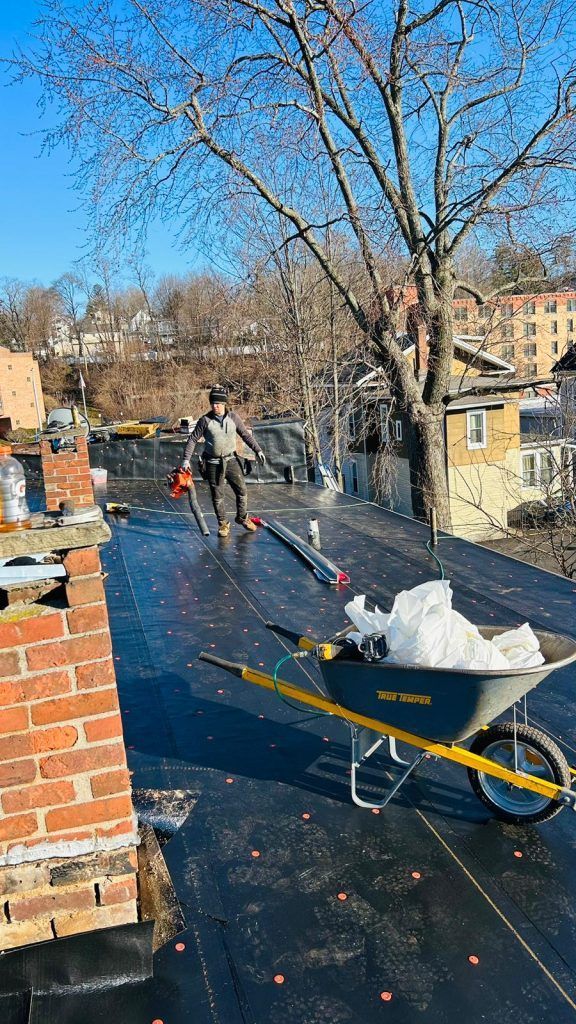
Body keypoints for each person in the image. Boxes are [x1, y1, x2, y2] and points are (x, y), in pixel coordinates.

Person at [181, 386, 266, 538]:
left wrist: (258, 450)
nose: (215, 406)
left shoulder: (233, 418)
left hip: (231, 459)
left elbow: (245, 435)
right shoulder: (205, 420)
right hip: (213, 463)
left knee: (242, 491)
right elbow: (192, 439)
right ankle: (223, 524)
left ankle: (242, 517)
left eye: (218, 403)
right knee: (217, 495)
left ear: (224, 404)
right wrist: (186, 460)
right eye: (213, 403)